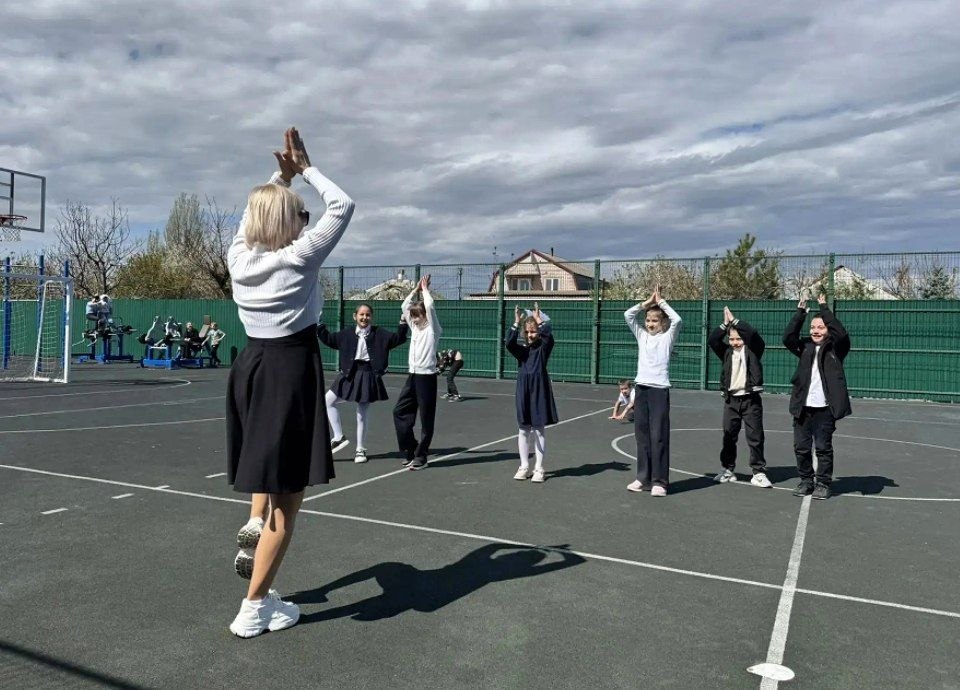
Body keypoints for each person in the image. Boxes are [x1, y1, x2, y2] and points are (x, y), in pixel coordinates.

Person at [226, 127, 355, 637]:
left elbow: (249, 217)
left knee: (266, 466)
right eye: (300, 215)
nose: (306, 221)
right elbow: (342, 205)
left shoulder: (239, 258)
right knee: (288, 498)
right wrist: (306, 171)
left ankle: (254, 522)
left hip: (251, 368)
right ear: (289, 223)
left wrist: (281, 179)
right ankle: (254, 607)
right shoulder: (300, 257)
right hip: (289, 371)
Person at [318, 303, 408, 463]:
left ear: (371, 317)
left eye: (367, 315)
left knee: (362, 413)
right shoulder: (346, 334)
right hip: (348, 374)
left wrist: (403, 321)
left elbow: (398, 339)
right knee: (327, 401)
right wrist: (319, 324)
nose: (364, 317)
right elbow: (329, 339)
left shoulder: (379, 333)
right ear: (355, 316)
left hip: (368, 374)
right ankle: (338, 437)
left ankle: (360, 449)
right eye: (361, 314)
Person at [783, 293, 852, 500]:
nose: (816, 331)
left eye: (821, 327)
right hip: (803, 408)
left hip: (824, 410)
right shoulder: (805, 347)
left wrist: (824, 308)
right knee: (801, 447)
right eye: (813, 327)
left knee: (823, 448)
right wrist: (800, 313)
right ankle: (806, 481)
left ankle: (822, 483)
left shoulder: (836, 348)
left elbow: (842, 334)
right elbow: (788, 338)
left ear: (828, 330)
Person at [624, 285, 682, 497]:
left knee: (658, 436)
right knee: (642, 436)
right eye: (648, 320)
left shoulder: (668, 337)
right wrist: (646, 304)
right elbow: (628, 315)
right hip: (642, 389)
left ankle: (660, 482)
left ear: (662, 323)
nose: (650, 324)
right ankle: (643, 478)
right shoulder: (642, 335)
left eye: (655, 321)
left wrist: (662, 302)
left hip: (659, 391)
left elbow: (678, 320)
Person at [708, 306, 771, 488]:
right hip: (731, 401)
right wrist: (724, 325)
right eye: (732, 339)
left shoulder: (754, 350)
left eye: (739, 339)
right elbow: (713, 340)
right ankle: (728, 469)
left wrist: (735, 321)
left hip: (751, 401)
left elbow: (753, 334)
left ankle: (758, 472)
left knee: (755, 437)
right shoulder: (726, 352)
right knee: (729, 436)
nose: (735, 342)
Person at [393, 274, 442, 471]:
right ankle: (411, 448)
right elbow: (404, 306)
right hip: (412, 376)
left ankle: (421, 456)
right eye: (412, 316)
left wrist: (425, 290)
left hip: (427, 378)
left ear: (425, 316)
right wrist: (415, 290)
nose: (413, 319)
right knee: (399, 412)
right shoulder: (414, 328)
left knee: (426, 419)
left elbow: (429, 306)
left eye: (416, 315)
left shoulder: (433, 330)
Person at [505, 303, 558, 483]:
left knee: (539, 430)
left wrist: (538, 320)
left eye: (533, 331)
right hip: (523, 390)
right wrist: (516, 322)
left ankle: (539, 468)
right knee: (523, 429)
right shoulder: (521, 351)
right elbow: (509, 343)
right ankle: (524, 466)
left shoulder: (543, 348)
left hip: (539, 390)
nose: (530, 335)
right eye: (527, 332)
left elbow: (548, 336)